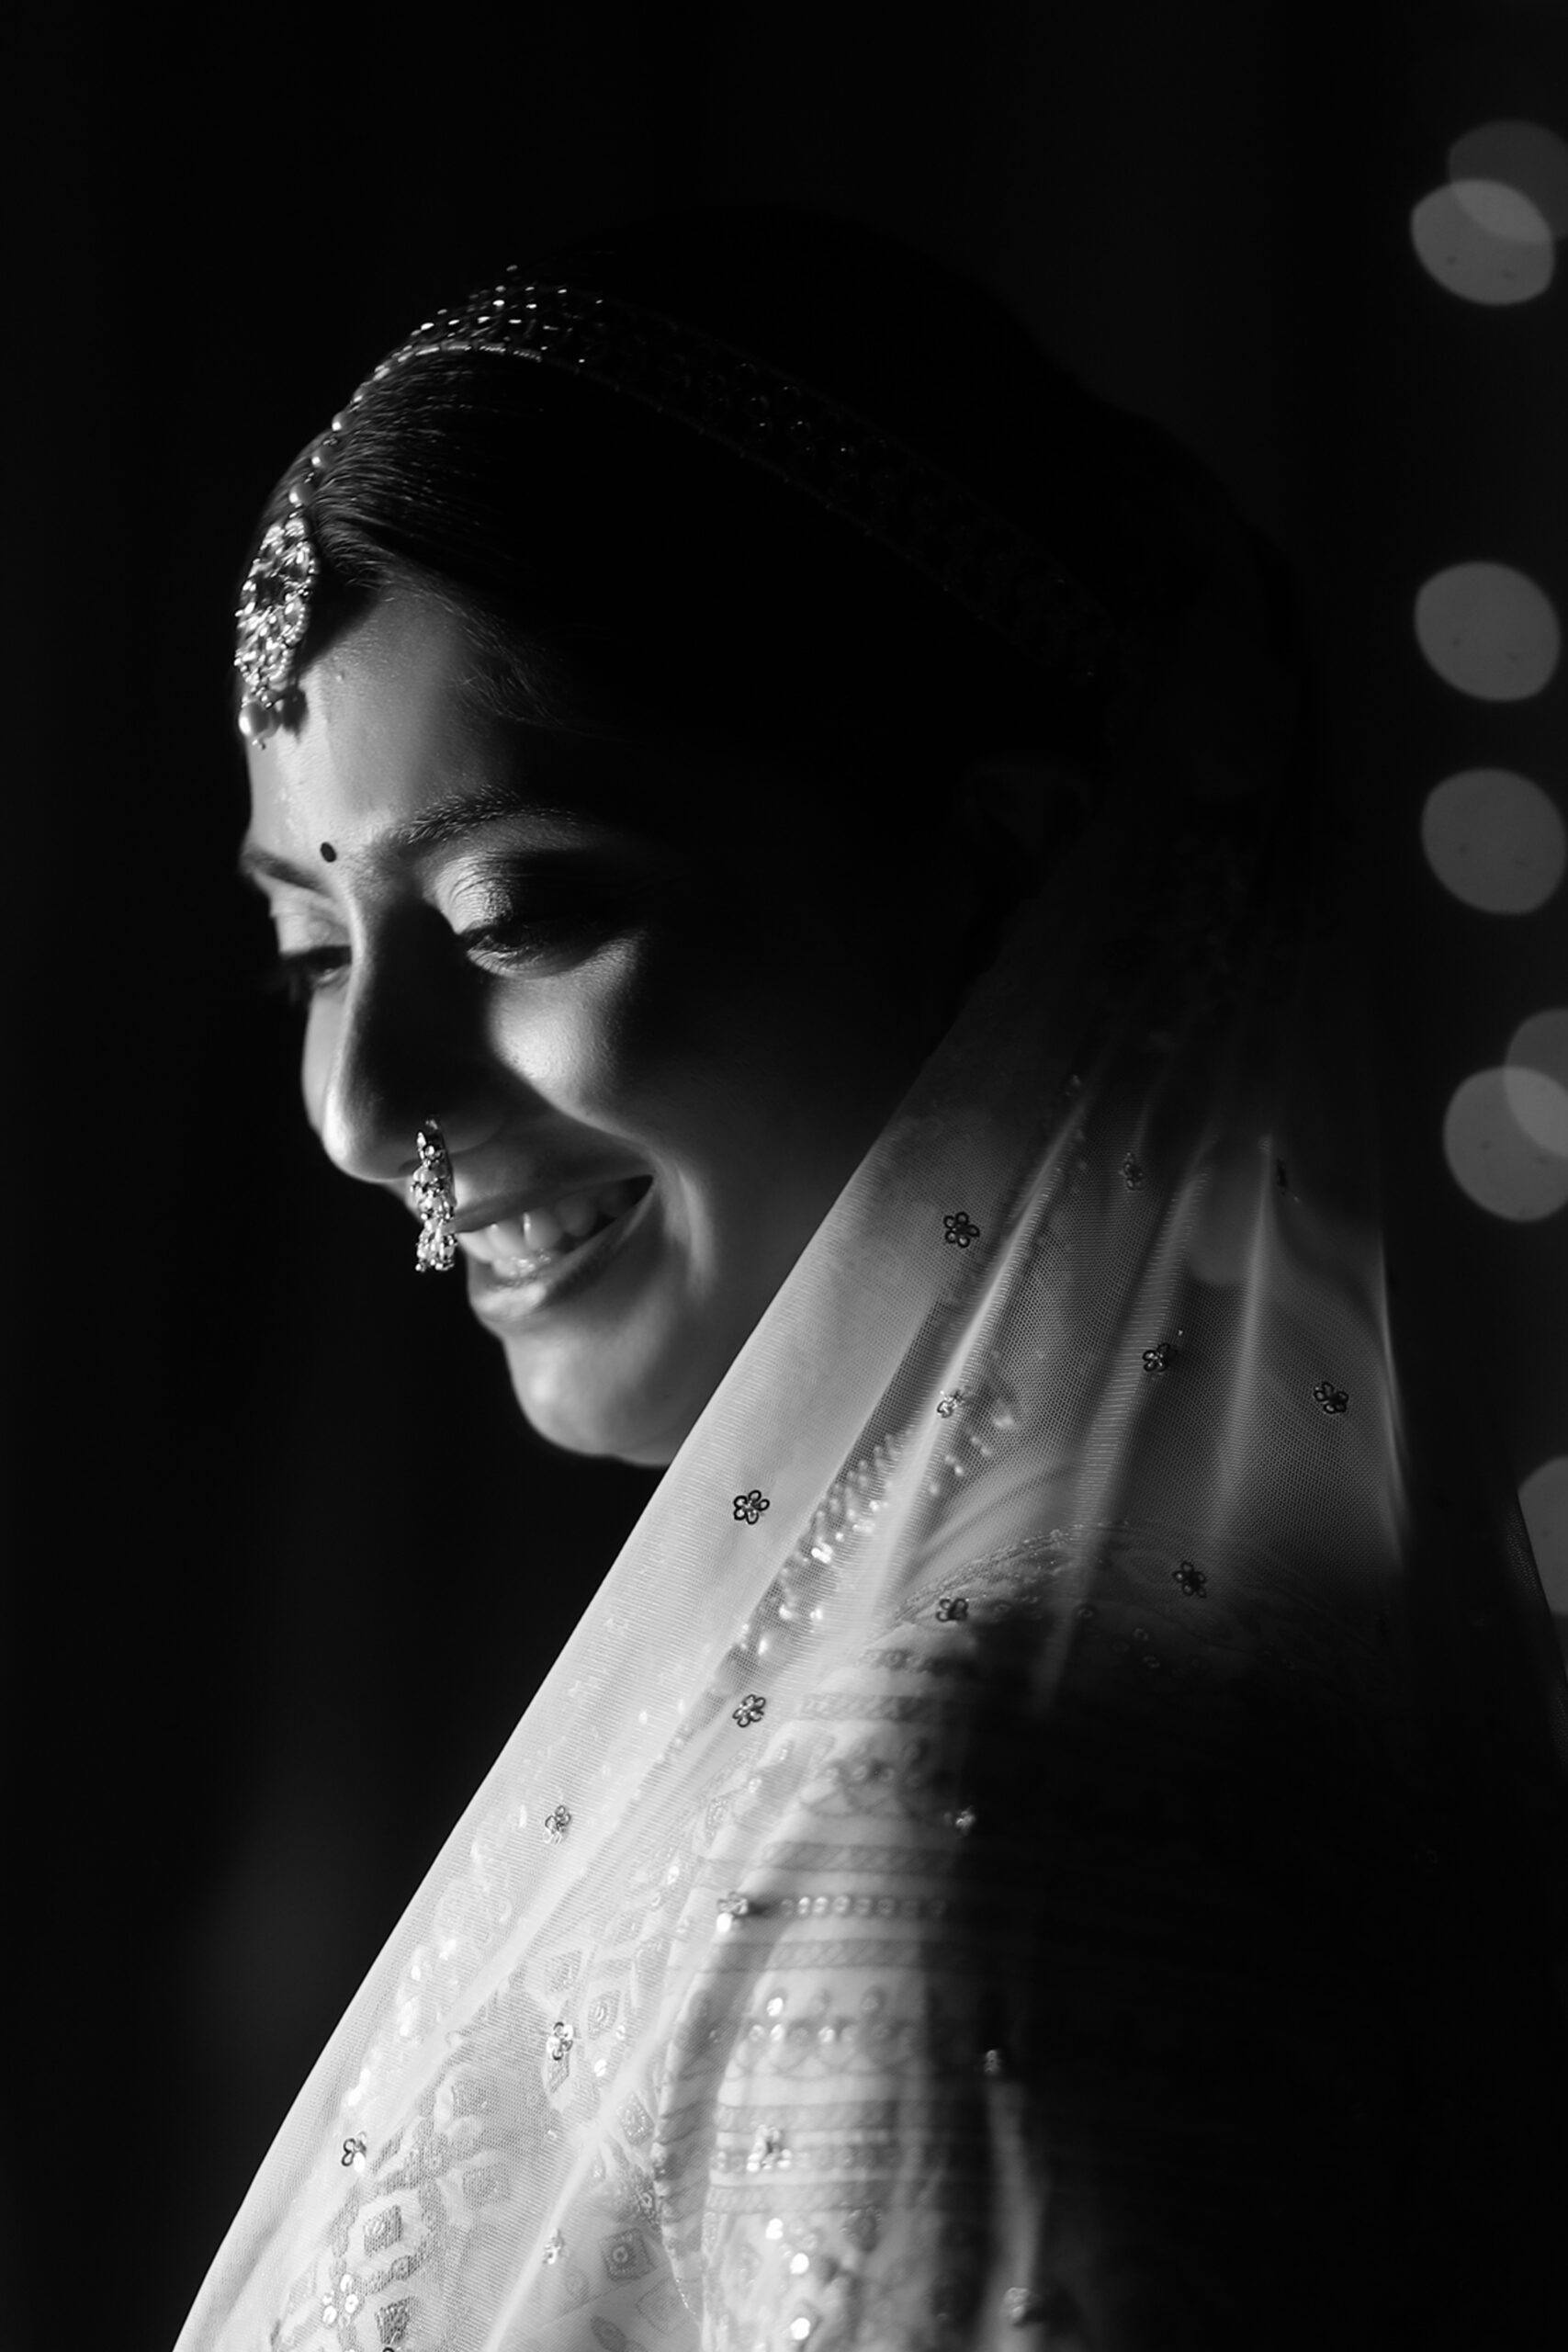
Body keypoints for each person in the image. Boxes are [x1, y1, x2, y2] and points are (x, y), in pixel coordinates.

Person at [182, 207, 1568, 2351]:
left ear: (999, 870)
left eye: (514, 913)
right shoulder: (1165, 1654)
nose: (366, 1104)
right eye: (307, 947)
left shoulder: (966, 1800)